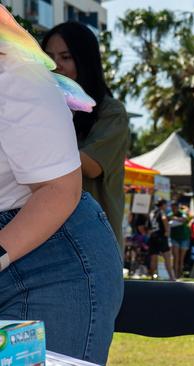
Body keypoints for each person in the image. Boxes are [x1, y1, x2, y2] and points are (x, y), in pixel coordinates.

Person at [0, 13, 123, 363]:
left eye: (67, 56)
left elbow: (60, 187)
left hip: (51, 257)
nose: (59, 64)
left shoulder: (15, 76)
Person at [42, 22, 130, 254]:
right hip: (42, 239)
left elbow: (90, 166)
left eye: (66, 56)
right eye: (48, 56)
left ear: (85, 60)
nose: (55, 64)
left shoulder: (111, 112)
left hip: (93, 245)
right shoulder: (37, 106)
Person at [148, 199, 176, 281]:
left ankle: (152, 277)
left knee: (153, 258)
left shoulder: (152, 213)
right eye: (166, 205)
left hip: (153, 237)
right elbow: (164, 219)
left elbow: (149, 226)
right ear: (162, 205)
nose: (167, 206)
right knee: (167, 257)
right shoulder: (161, 211)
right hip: (161, 237)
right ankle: (172, 277)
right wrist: (167, 230)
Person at [168, 201, 190, 278]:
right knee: (175, 258)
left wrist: (175, 218)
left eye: (175, 207)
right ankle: (175, 275)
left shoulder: (182, 213)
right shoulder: (170, 214)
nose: (174, 209)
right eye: (173, 207)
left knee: (181, 259)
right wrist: (177, 219)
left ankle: (180, 274)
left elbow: (184, 219)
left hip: (184, 238)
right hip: (174, 238)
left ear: (178, 207)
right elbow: (169, 219)